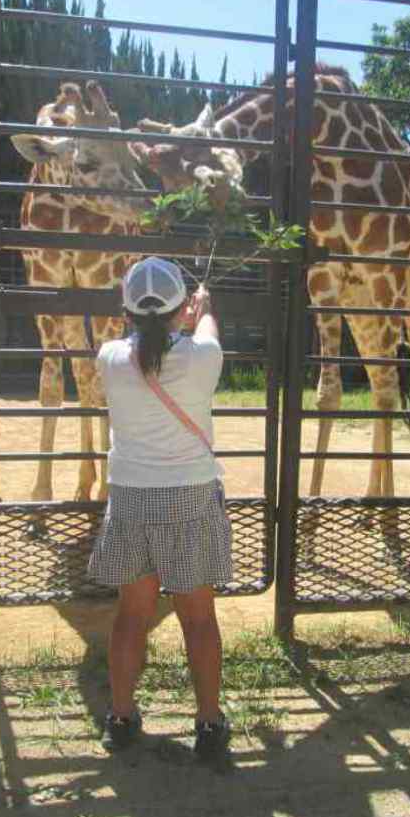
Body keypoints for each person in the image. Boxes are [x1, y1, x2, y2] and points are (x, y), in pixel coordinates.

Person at [88, 257, 232, 758]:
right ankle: (209, 724)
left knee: (131, 616)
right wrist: (204, 308)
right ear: (180, 309)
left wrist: (175, 320)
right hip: (189, 497)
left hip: (131, 499)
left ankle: (122, 717)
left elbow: (141, 343)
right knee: (199, 620)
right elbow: (207, 334)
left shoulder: (108, 358)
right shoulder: (202, 357)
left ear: (125, 309)